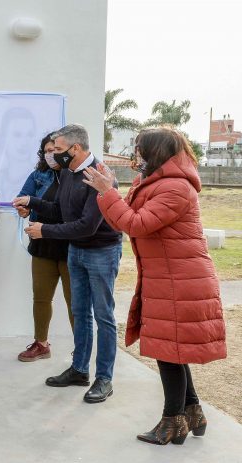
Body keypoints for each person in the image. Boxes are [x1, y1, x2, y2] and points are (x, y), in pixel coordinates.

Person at [82, 127, 226, 445]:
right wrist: (109, 191)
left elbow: (137, 224)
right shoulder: (155, 183)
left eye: (139, 149)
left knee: (168, 352)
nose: (136, 155)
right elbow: (124, 219)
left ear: (156, 152)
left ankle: (172, 421)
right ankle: (193, 412)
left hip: (181, 281)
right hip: (169, 278)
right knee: (171, 349)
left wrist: (108, 193)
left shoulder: (175, 187)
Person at [13, 124, 122, 404]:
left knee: (103, 316)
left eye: (58, 150)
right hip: (77, 251)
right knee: (80, 312)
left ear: (75, 148)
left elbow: (86, 225)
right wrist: (32, 200)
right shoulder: (68, 174)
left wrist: (44, 231)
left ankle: (104, 378)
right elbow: (60, 211)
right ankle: (79, 370)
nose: (54, 156)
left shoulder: (99, 176)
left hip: (101, 252)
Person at [16, 133, 73, 362]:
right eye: (47, 151)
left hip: (70, 247)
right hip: (42, 246)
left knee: (74, 303)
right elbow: (23, 197)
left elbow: (64, 210)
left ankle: (81, 350)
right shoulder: (39, 174)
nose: (51, 155)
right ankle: (41, 344)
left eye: (55, 150)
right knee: (40, 298)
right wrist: (23, 208)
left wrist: (32, 203)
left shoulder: (75, 176)